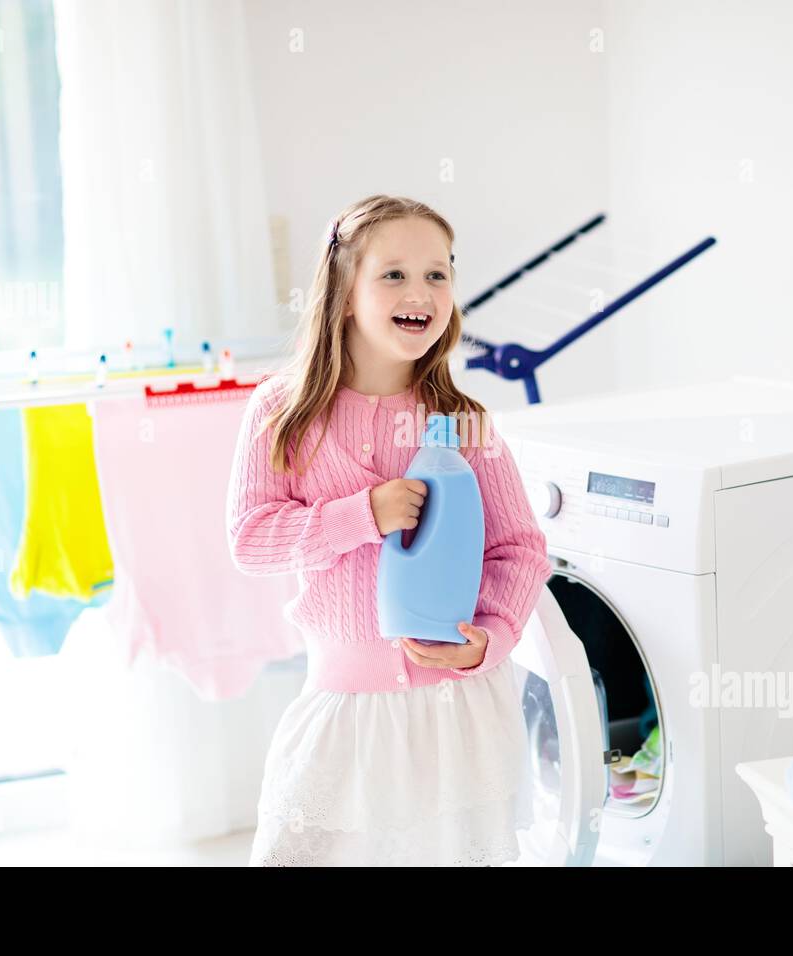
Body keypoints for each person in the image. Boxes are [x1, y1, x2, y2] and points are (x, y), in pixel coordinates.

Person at [226, 194, 552, 865]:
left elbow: (519, 549)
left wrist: (489, 640)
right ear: (345, 292)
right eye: (395, 273)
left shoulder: (462, 422)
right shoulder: (283, 411)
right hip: (346, 705)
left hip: (458, 709)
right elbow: (252, 538)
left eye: (439, 273)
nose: (422, 291)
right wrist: (361, 516)